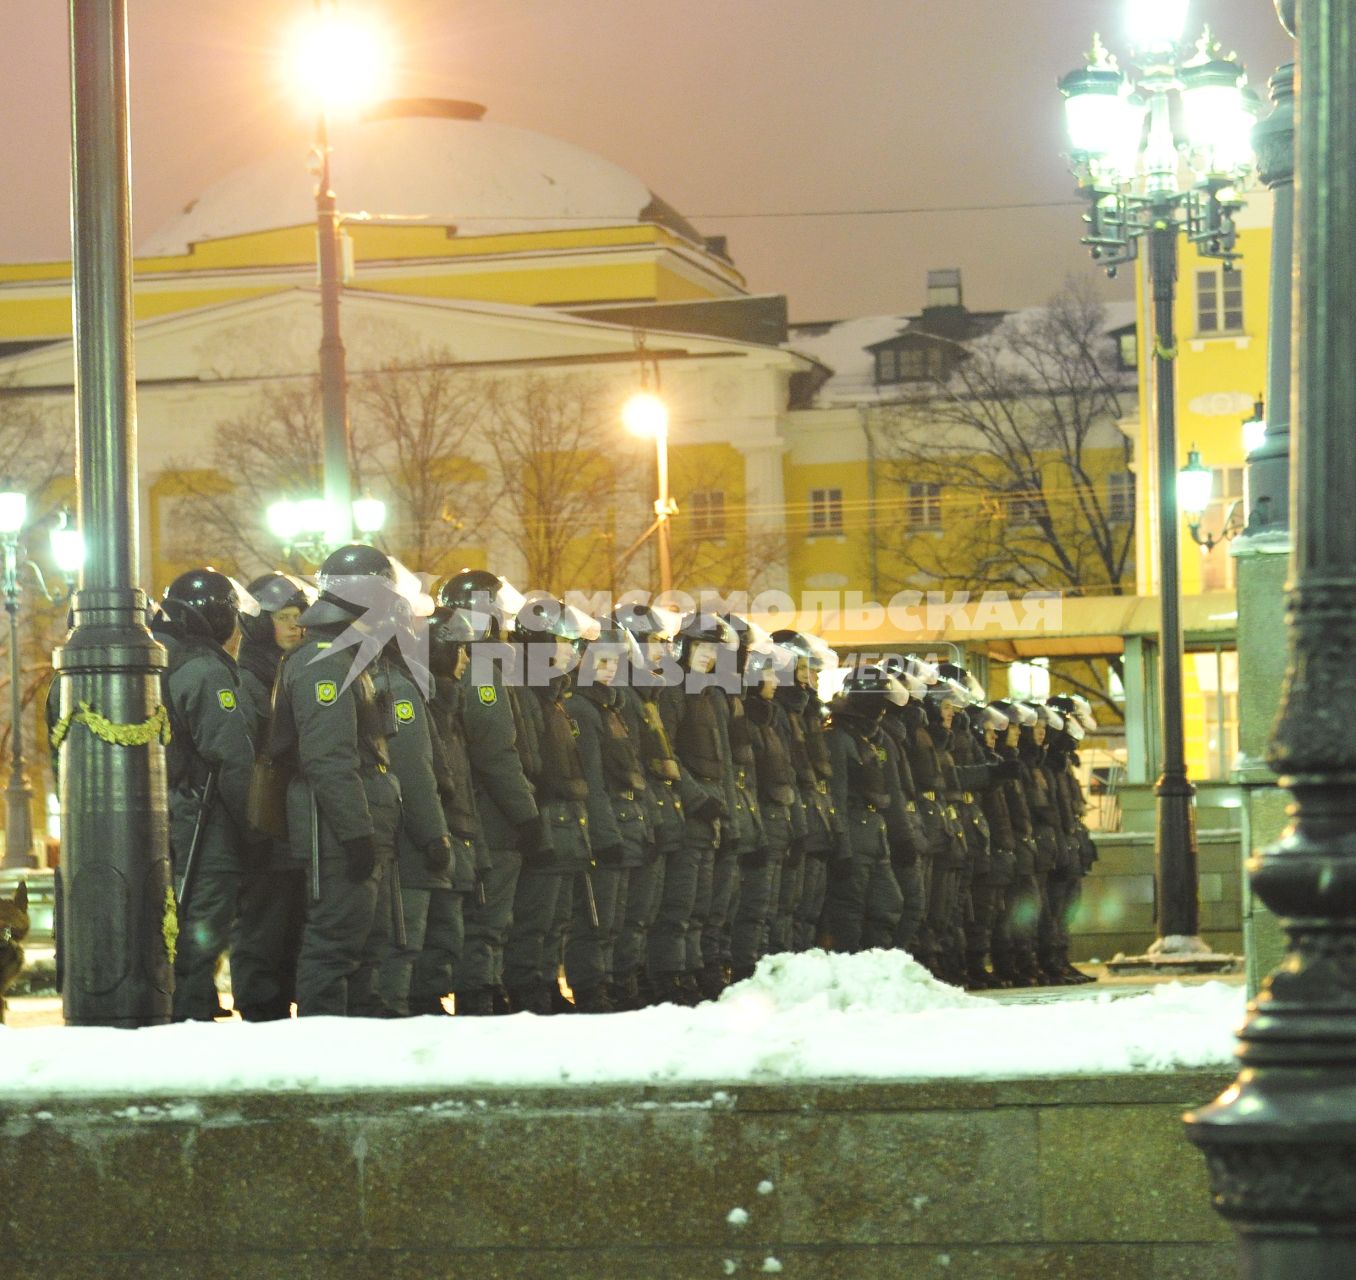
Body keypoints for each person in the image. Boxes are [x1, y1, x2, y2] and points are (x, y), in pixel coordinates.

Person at [273, 544, 401, 1017]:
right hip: (336, 832)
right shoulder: (325, 660)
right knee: (335, 945)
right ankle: (322, 1061)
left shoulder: (345, 655)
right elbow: (328, 758)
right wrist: (355, 832)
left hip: (354, 824)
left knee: (365, 946)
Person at [435, 570, 545, 1017]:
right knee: (487, 919)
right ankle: (480, 1001)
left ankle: (487, 991)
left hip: (481, 811)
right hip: (490, 816)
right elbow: (495, 750)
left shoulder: (479, 663)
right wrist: (527, 814)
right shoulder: (480, 668)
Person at [154, 568, 261, 1022]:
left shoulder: (162, 656)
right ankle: (191, 1008)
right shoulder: (203, 667)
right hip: (203, 816)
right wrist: (255, 825)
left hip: (168, 812)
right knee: (204, 916)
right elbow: (232, 756)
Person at [503, 597, 594, 1013]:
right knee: (534, 919)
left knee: (556, 917)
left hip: (561, 821)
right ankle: (528, 991)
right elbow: (522, 761)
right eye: (564, 641)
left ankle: (544, 984)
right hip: (539, 820)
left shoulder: (552, 694)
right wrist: (530, 819)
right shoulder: (525, 691)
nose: (573, 651)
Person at [230, 570, 314, 1021]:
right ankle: (262, 1007)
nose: (293, 626)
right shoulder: (249, 680)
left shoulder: (293, 671)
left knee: (291, 919)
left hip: (292, 821)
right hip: (265, 823)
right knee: (264, 920)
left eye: (298, 616)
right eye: (282, 617)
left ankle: (280, 999)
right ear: (260, 624)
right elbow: (243, 756)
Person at [375, 598, 459, 1019]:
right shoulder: (397, 685)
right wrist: (434, 834)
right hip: (406, 835)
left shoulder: (383, 678)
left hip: (385, 826)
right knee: (403, 939)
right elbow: (414, 766)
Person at [562, 620, 651, 1011]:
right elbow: (593, 780)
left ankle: (616, 982)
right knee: (596, 922)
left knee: (620, 919)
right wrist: (606, 834)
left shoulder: (611, 704)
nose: (609, 666)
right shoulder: (581, 707)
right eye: (600, 659)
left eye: (614, 659)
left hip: (627, 823)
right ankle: (593, 988)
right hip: (606, 828)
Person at [657, 612, 738, 1003]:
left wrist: (731, 818)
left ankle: (693, 970)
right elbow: (665, 752)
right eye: (703, 647)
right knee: (681, 903)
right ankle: (674, 975)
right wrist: (695, 798)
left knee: (704, 904)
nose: (708, 655)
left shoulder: (711, 696)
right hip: (689, 814)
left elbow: (724, 764)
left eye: (714, 649)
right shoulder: (673, 692)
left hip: (713, 814)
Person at [612, 603, 686, 1008]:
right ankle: (628, 983)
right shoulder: (623, 698)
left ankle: (640, 980)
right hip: (635, 817)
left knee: (650, 911)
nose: (662, 649)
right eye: (655, 641)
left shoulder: (646, 695)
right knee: (630, 914)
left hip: (653, 815)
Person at [819, 664, 906, 953]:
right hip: (855, 835)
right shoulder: (839, 737)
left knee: (888, 904)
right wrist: (841, 845)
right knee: (849, 909)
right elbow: (837, 796)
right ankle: (851, 967)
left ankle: (874, 967)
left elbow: (890, 791)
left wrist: (900, 836)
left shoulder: (871, 738)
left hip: (874, 834)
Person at [735, 639, 802, 979]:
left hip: (777, 823)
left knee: (774, 905)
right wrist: (757, 830)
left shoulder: (769, 722)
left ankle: (771, 966)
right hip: (759, 823)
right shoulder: (747, 721)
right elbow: (750, 782)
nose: (776, 683)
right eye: (770, 676)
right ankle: (751, 969)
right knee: (755, 905)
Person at [769, 630, 839, 954]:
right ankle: (787, 961)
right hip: (795, 815)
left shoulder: (807, 713)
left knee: (809, 903)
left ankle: (803, 959)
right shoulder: (782, 712)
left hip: (815, 815)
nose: (811, 678)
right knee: (788, 902)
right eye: (804, 670)